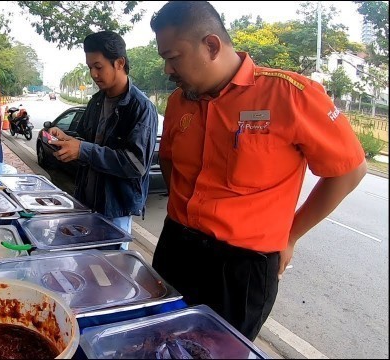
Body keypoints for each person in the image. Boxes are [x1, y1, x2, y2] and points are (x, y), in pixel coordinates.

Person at [149, 1, 367, 341]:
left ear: (211, 45)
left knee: (219, 349)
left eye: (173, 57)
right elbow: (170, 161)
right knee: (156, 339)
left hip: (240, 269)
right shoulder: (180, 101)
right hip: (176, 247)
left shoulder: (290, 95)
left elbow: (349, 171)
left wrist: (291, 235)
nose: (167, 69)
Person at [48, 31, 158, 249]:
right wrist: (68, 140)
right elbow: (87, 142)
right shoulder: (96, 101)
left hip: (114, 210)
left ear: (119, 63)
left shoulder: (141, 108)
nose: (93, 74)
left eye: (98, 67)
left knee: (109, 276)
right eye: (90, 67)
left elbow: (136, 164)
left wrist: (83, 149)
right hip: (86, 202)